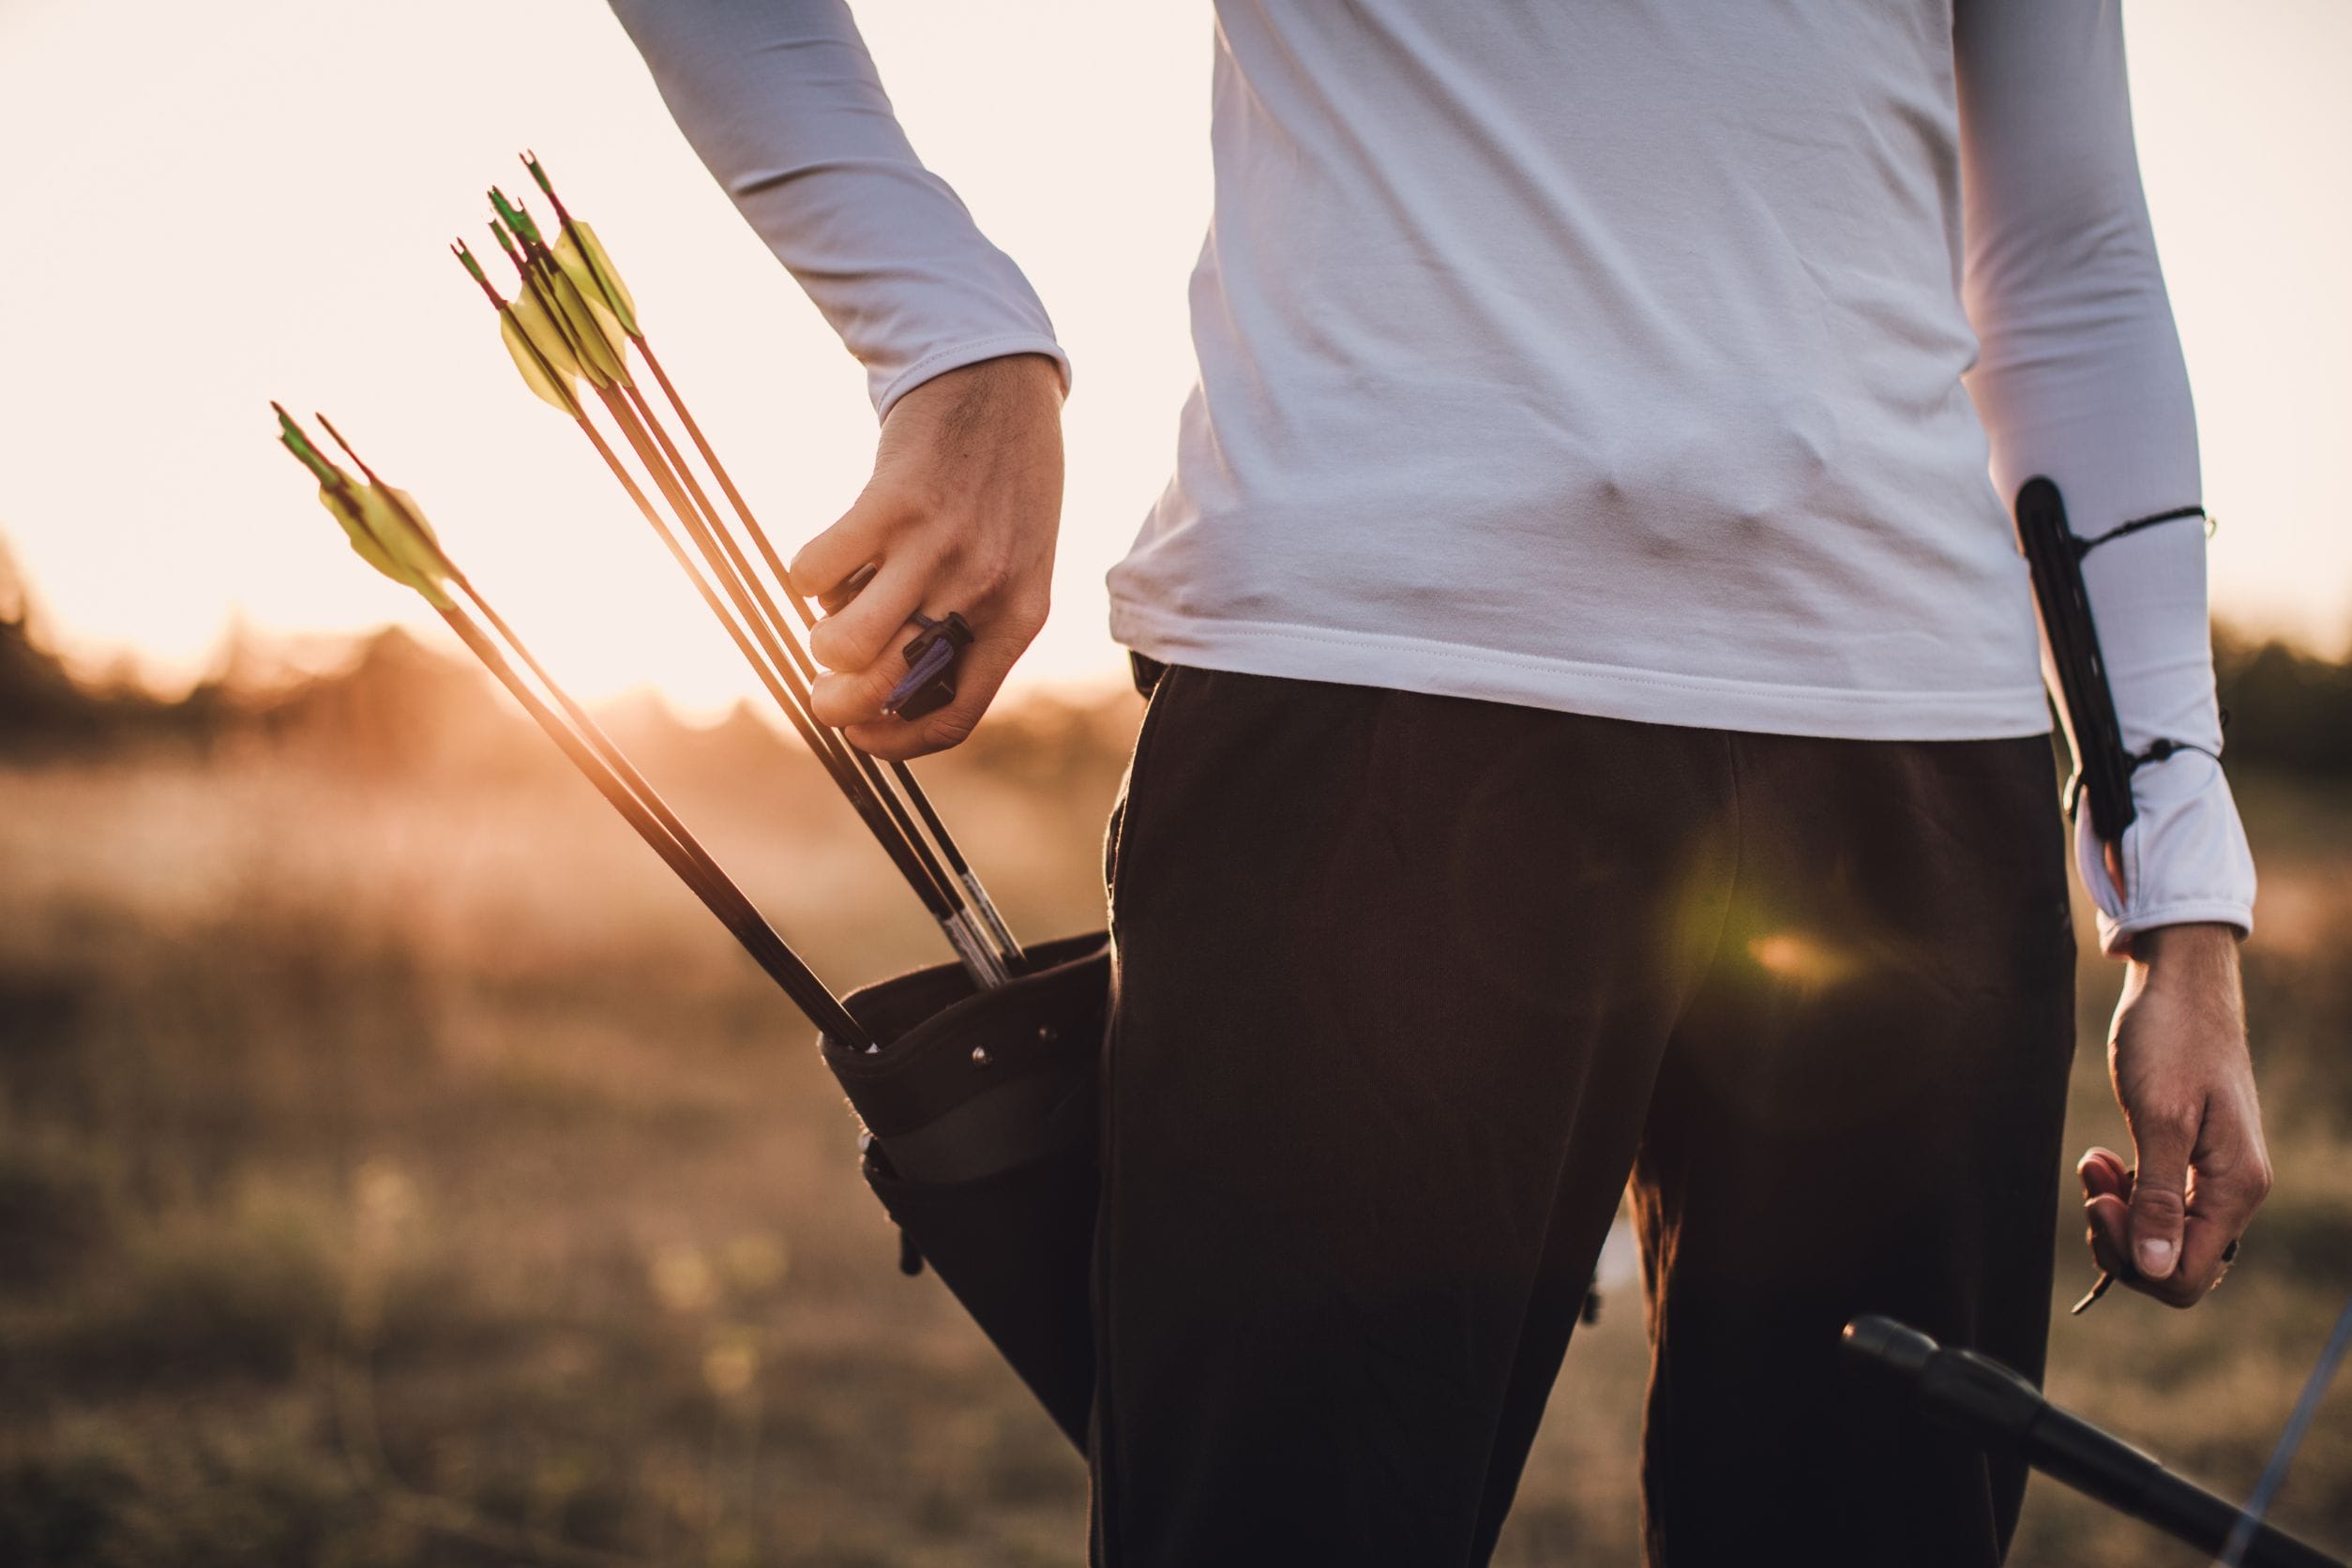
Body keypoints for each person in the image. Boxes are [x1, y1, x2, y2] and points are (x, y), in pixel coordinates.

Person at [607, 2, 2272, 1561]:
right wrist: (946, 334)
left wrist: (2179, 900)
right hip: (1373, 697)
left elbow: (2070, 263)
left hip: (1918, 761)